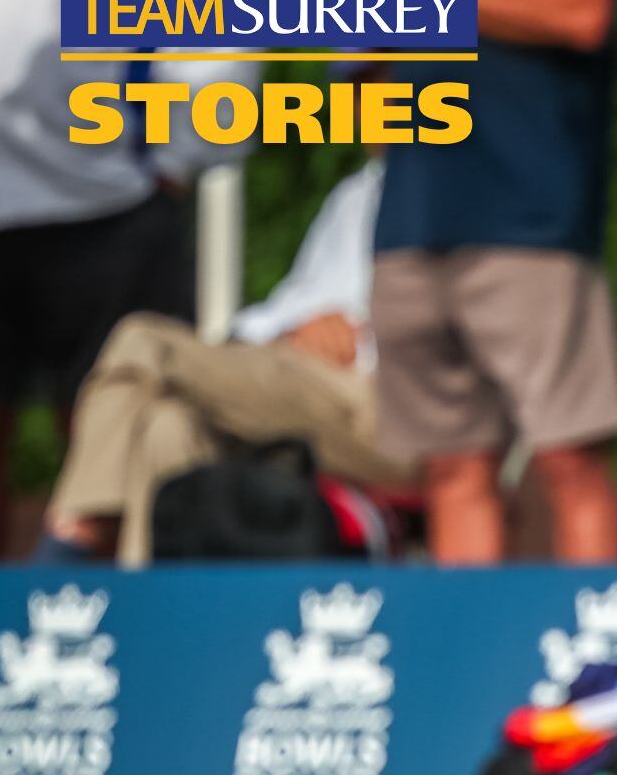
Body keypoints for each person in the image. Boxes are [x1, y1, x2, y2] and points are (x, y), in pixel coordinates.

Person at [303, 0, 617, 565]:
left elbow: (583, 9)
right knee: (451, 470)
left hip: (528, 215)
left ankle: (614, 661)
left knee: (570, 460)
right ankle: (466, 663)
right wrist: (359, 38)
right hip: (411, 216)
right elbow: (376, 109)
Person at [0, 0, 249, 556]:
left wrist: (176, 160)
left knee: (118, 442)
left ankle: (110, 642)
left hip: (112, 202)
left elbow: (207, 6)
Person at [38, 161, 411, 568]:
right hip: (303, 381)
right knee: (168, 425)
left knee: (142, 339)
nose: (373, 105)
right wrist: (291, 331)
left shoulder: (463, 191)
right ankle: (153, 610)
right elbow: (279, 309)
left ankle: (72, 540)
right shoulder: (358, 193)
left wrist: (361, 334)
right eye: (361, 95)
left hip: (395, 402)